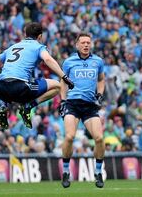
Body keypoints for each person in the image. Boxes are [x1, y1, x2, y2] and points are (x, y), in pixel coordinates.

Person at [0, 22, 73, 129]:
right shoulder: (38, 47)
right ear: (40, 36)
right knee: (57, 86)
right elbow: (47, 59)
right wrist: (64, 77)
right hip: (19, 87)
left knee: (10, 81)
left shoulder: (12, 47)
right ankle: (28, 106)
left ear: (25, 35)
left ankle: (3, 106)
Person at [58, 33, 106, 189]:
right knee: (70, 136)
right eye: (83, 43)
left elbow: (101, 79)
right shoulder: (69, 62)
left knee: (99, 138)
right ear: (77, 45)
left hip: (90, 105)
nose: (86, 45)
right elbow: (63, 82)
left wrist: (100, 94)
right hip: (72, 104)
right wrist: (63, 100)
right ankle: (66, 171)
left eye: (88, 43)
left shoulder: (98, 61)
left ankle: (98, 172)